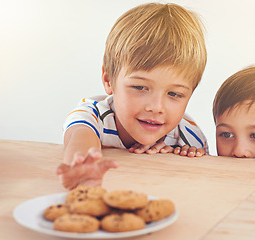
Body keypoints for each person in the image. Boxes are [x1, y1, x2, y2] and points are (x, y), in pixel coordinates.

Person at [57, 3, 208, 190]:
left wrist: (182, 156)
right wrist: (83, 168)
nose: (156, 107)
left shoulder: (188, 135)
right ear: (108, 80)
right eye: (140, 87)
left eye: (174, 94)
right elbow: (79, 138)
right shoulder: (93, 115)